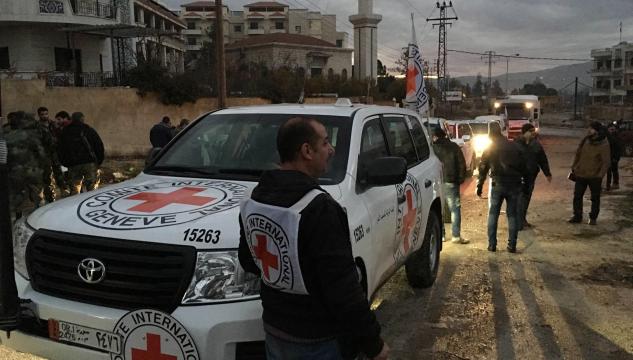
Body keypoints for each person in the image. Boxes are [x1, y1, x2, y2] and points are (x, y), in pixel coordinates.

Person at [238, 117, 388, 360]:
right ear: (307, 151)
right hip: (317, 341)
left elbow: (248, 260)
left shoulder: (256, 198)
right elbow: (344, 291)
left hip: (275, 330)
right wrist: (374, 344)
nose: (332, 150)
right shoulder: (320, 209)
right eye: (326, 143)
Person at [477, 125, 528, 253]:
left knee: (493, 214)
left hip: (497, 184)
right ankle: (512, 245)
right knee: (512, 215)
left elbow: (483, 168)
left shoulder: (490, 148)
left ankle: (492, 245)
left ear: (490, 134)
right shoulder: (513, 146)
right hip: (514, 185)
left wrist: (480, 185)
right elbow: (524, 166)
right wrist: (525, 183)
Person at [4, 112, 49, 220]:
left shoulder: (7, 135)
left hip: (15, 171)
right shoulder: (32, 135)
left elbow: (5, 155)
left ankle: (17, 218)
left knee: (17, 196)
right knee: (37, 195)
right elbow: (42, 154)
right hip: (33, 170)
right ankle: (39, 217)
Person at [569, 121, 611, 225]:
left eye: (591, 128)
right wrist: (574, 166)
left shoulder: (604, 144)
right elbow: (578, 153)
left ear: (597, 131)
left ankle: (593, 218)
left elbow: (606, 162)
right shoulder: (586, 140)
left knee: (595, 198)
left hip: (594, 176)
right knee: (577, 196)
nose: (589, 130)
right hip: (581, 174)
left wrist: (600, 175)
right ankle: (577, 216)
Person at [432, 127, 469, 244]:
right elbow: (462, 164)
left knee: (440, 209)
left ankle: (442, 235)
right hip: (451, 181)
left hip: (436, 182)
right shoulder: (454, 146)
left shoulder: (432, 148)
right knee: (455, 209)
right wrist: (460, 179)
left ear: (435, 136)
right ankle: (456, 236)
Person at [515, 124, 552, 230]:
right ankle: (518, 221)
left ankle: (522, 219)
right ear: (524, 132)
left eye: (533, 131)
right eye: (531, 131)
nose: (533, 133)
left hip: (531, 176)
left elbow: (542, 159)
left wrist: (547, 173)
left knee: (526, 198)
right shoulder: (516, 144)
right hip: (519, 177)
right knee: (520, 199)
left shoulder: (536, 145)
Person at [58, 112, 104, 195]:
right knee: (92, 190)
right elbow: (99, 145)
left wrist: (65, 163)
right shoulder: (88, 129)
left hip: (73, 165)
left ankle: (75, 206)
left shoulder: (65, 132)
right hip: (89, 163)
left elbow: (60, 149)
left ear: (72, 119)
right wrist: (99, 161)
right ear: (82, 119)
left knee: (75, 190)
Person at [605, 123, 622, 191]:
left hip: (614, 157)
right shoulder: (607, 137)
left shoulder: (617, 137)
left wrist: (616, 158)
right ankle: (608, 185)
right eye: (610, 129)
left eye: (613, 129)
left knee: (614, 171)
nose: (612, 131)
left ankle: (615, 184)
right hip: (608, 157)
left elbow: (618, 149)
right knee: (609, 171)